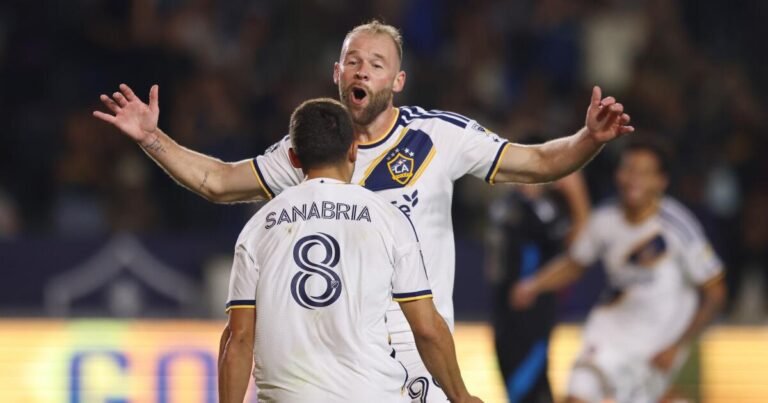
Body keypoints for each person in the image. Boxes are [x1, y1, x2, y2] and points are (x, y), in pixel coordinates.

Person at [94, 20, 633, 402]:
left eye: (377, 64)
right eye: (353, 60)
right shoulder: (306, 148)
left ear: (396, 82)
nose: (363, 70)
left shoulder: (438, 136)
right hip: (332, 358)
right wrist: (151, 138)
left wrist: (588, 138)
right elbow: (215, 180)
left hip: (419, 347)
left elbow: (537, 162)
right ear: (336, 73)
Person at [218, 98, 480, 403]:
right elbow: (426, 328)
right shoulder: (387, 218)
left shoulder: (259, 226)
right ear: (353, 149)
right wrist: (461, 396)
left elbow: (238, 339)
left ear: (293, 157)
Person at [512, 139, 726, 403]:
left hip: (657, 341)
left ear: (661, 181)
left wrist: (678, 345)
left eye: (644, 172)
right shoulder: (604, 221)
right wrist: (534, 285)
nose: (634, 179)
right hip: (610, 329)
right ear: (618, 175)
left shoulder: (678, 227)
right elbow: (576, 263)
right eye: (629, 169)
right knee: (577, 396)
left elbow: (716, 291)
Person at [485, 169, 589, 403]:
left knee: (525, 379)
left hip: (524, 307)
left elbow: (579, 247)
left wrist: (574, 193)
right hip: (519, 306)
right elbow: (576, 242)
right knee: (524, 380)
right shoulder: (534, 209)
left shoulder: (505, 206)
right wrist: (575, 192)